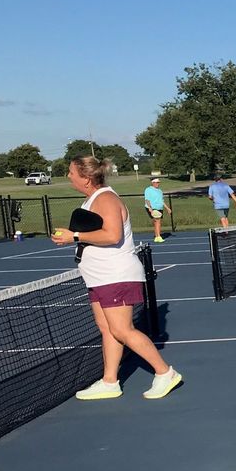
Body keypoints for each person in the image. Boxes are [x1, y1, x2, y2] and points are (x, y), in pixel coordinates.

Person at [51, 155, 181, 400]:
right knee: (107, 328)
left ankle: (165, 373)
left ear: (86, 178)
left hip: (116, 275)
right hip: (98, 277)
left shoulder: (107, 199)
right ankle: (110, 381)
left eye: (71, 172)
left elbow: (112, 235)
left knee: (122, 329)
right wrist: (72, 237)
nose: (68, 176)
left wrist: (75, 237)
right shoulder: (92, 199)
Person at [143, 177, 168, 243]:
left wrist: (167, 208)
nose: (158, 184)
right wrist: (150, 208)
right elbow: (147, 200)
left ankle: (157, 236)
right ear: (153, 183)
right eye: (157, 182)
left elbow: (162, 201)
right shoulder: (148, 190)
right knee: (158, 221)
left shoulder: (160, 191)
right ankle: (158, 236)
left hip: (159, 208)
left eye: (158, 182)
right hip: (152, 208)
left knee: (157, 222)